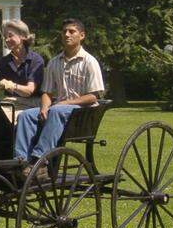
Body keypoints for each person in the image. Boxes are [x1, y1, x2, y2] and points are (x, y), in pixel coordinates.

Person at [13, 18, 105, 173]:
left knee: (56, 110)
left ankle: (40, 160)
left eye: (72, 31)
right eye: (64, 32)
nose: (67, 34)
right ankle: (20, 160)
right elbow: (47, 92)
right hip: (60, 109)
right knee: (26, 115)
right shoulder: (55, 62)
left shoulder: (89, 62)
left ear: (82, 35)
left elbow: (94, 96)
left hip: (83, 112)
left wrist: (66, 103)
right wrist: (44, 107)